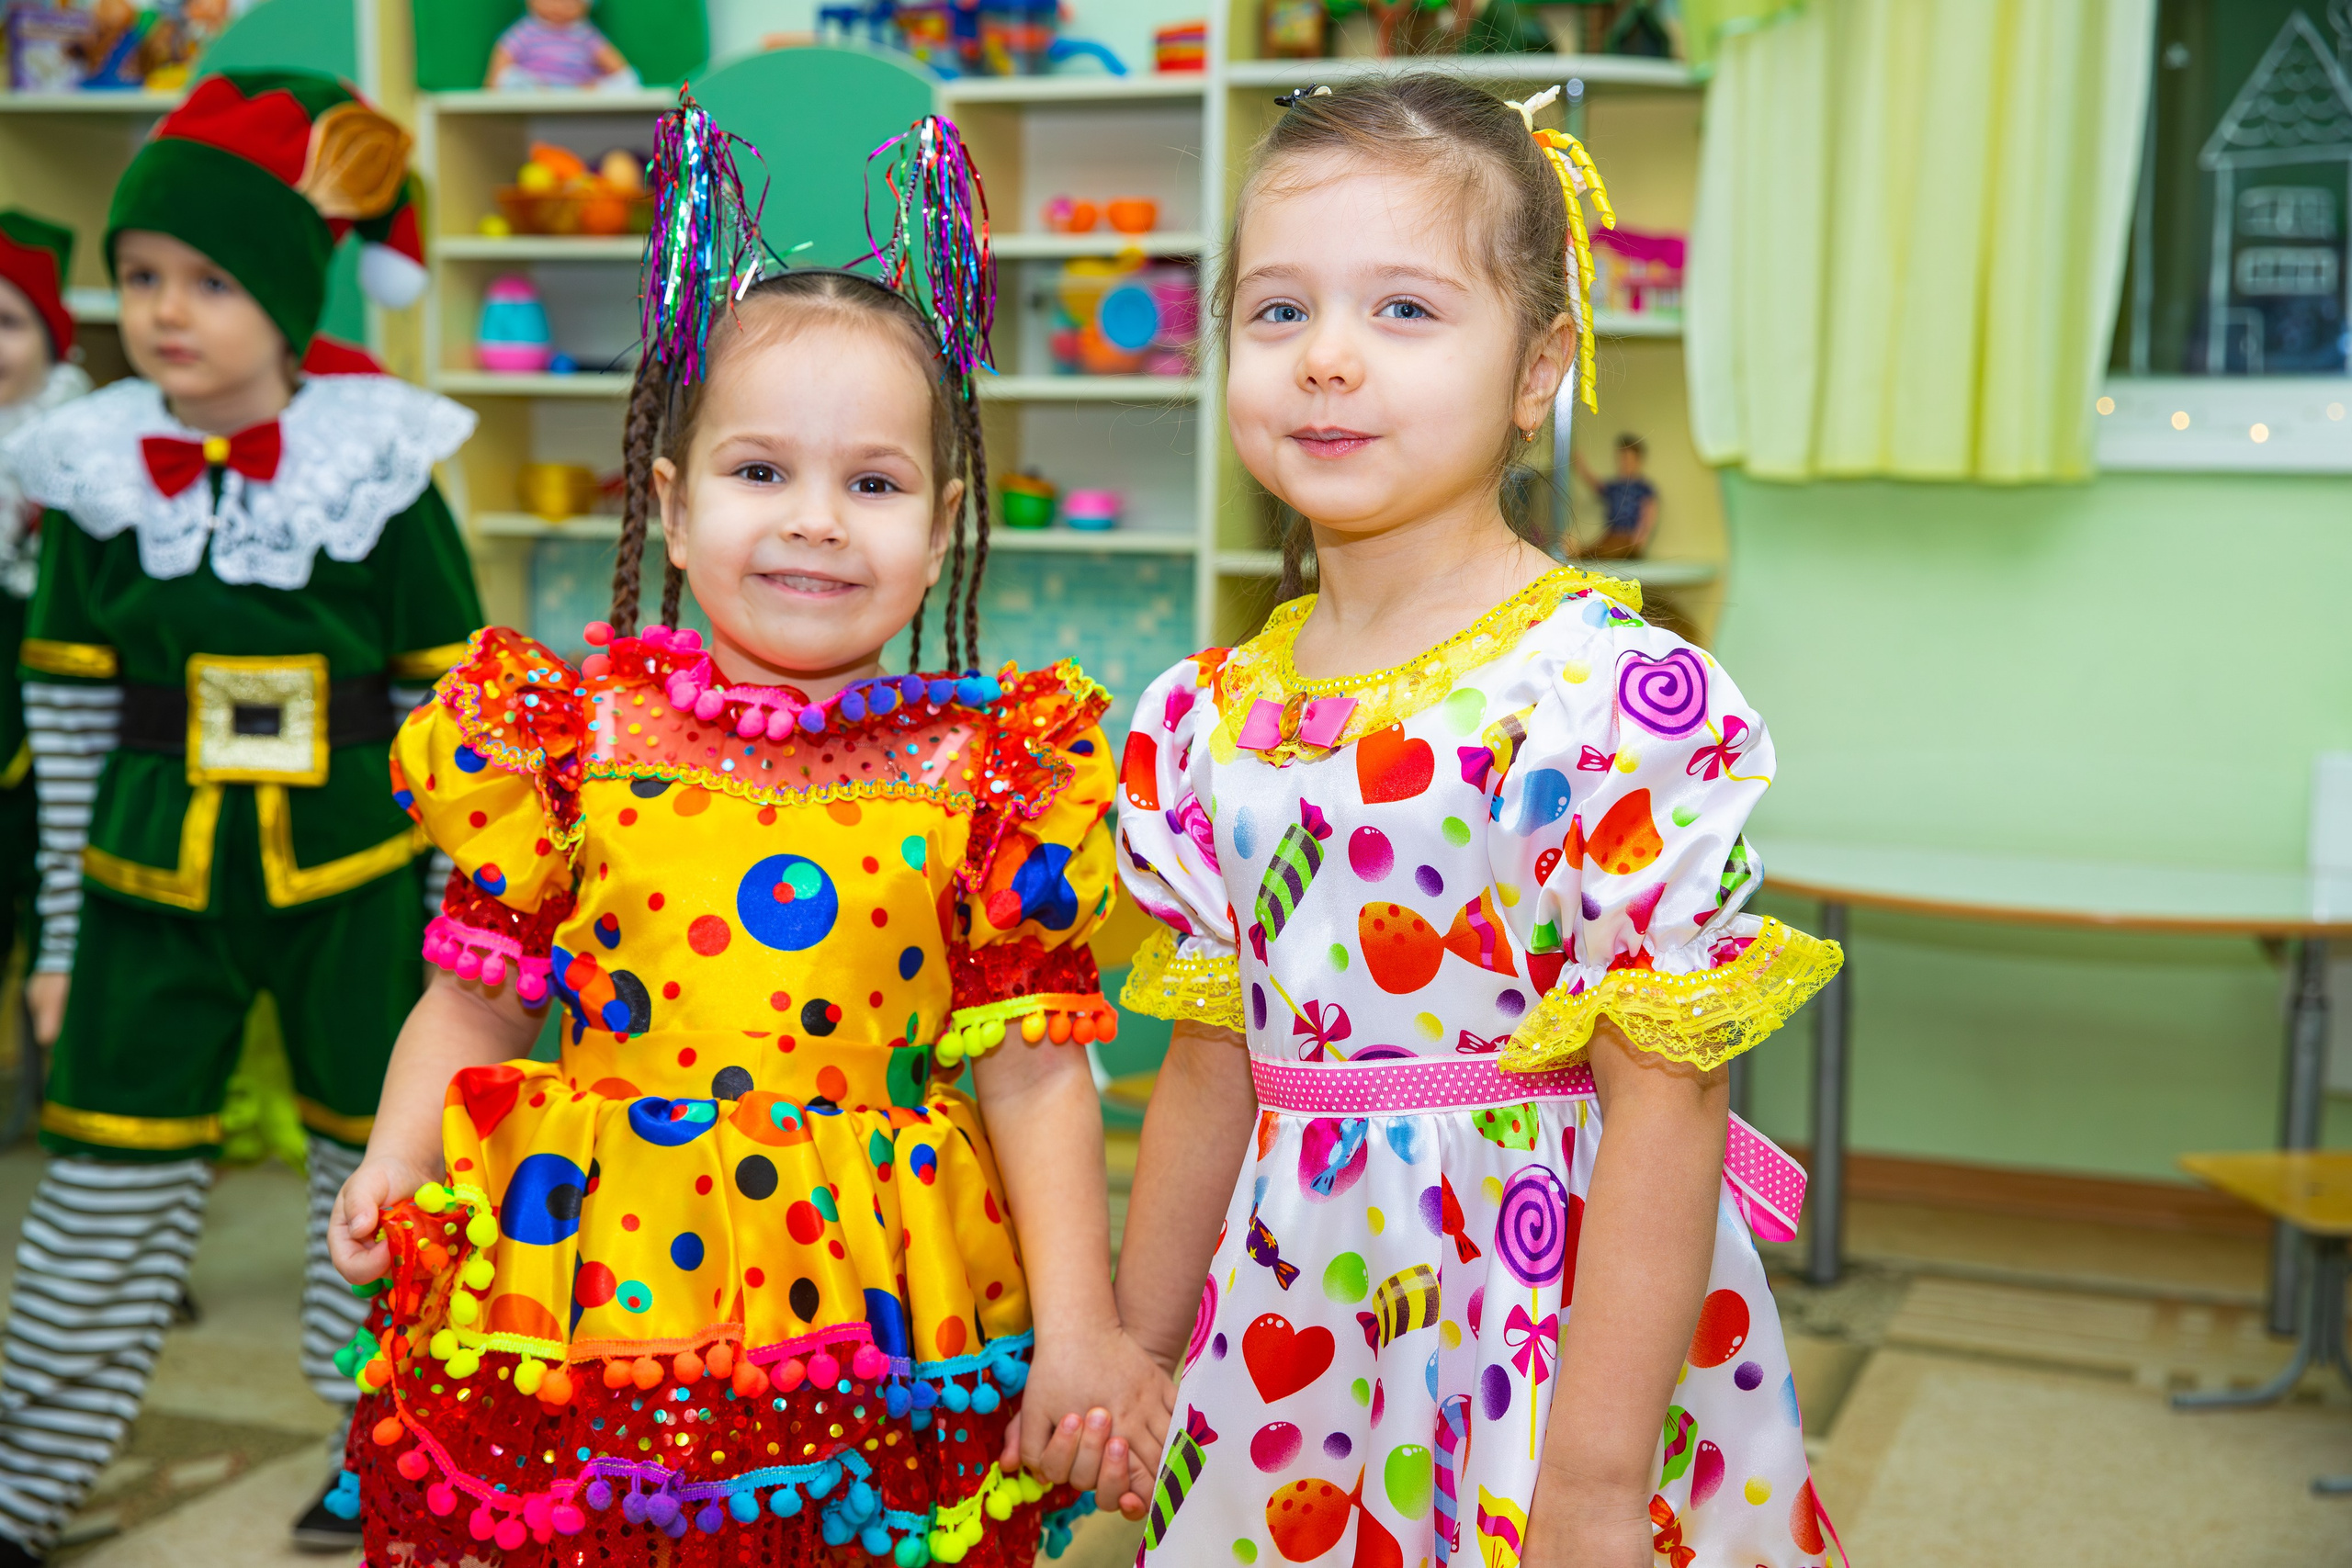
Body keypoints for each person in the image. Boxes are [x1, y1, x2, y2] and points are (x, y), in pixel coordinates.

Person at [328, 106, 1151, 1566]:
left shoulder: (986, 772)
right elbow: (475, 989)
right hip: (591, 1276)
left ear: (945, 519)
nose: (817, 522)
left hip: (873, 1310)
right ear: (673, 499)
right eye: (762, 471)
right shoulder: (565, 745)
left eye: (875, 483)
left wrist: (1082, 1329)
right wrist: (399, 1152)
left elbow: (1035, 1068)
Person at [1101, 77, 1845, 1567]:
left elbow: (1668, 1102)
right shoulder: (1201, 722)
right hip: (1299, 1319)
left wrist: (1586, 1481)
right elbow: (1206, 1064)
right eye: (1277, 310)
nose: (1325, 359)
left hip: (1556, 1327)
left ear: (1538, 368)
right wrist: (1135, 1345)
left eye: (1404, 311)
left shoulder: (1608, 698)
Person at [0, 73, 476, 1563]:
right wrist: (60, 939)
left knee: (375, 1180)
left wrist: (466, 928)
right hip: (147, 875)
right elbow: (69, 726)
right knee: (102, 1176)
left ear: (284, 294)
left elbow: (457, 724)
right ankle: (22, 1489)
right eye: (141, 276)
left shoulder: (382, 469)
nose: (165, 309)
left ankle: (374, 1457)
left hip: (359, 876)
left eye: (208, 279)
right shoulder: (86, 476)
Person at [0, 211, 91, 1086]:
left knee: (58, 898)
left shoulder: (83, 459)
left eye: (8, 322)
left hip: (62, 734)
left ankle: (54, 1069)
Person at [486, 0, 639, 89]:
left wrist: (593, 87)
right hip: (536, 89)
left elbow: (621, 71)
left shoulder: (586, 35)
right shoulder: (524, 32)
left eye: (570, 3)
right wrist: (493, 87)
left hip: (578, 91)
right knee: (509, 79)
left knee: (627, 81)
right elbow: (501, 63)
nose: (558, 6)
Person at [1572, 432, 1656, 560]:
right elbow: (1595, 485)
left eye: (1629, 459)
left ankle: (1580, 552)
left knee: (1607, 552)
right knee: (1597, 549)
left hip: (1628, 537)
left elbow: (1648, 515)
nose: (1625, 463)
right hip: (1611, 535)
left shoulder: (1644, 489)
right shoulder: (1615, 487)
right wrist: (1581, 467)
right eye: (1622, 459)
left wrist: (1640, 540)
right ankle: (1579, 552)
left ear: (1638, 461)